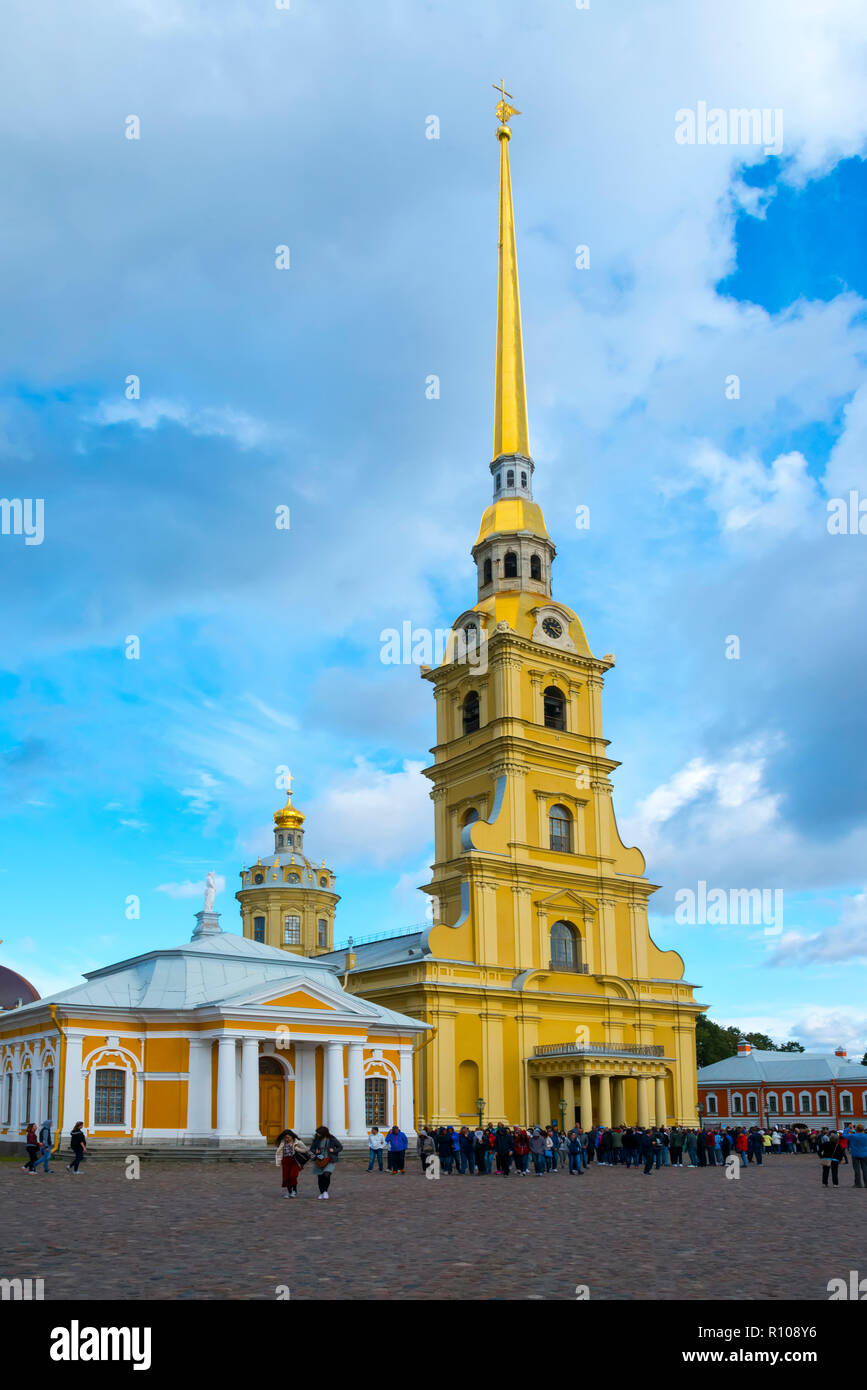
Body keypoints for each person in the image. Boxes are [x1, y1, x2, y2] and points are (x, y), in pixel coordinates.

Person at [309, 1125, 343, 1199]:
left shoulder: (332, 1139)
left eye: (319, 1133)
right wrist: (315, 1151)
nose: (317, 1134)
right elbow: (312, 1148)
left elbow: (340, 1147)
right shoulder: (317, 1139)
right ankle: (321, 1192)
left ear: (323, 1133)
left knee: (326, 1174)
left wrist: (333, 1150)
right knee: (320, 1177)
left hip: (330, 1160)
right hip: (319, 1160)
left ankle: (325, 1192)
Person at [275, 1128, 308, 1198]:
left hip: (295, 1161)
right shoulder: (283, 1142)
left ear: (292, 1136)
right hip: (286, 1161)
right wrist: (278, 1163)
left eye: (288, 1137)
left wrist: (297, 1149)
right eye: (285, 1137)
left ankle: (294, 1191)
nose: (287, 1139)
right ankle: (289, 1192)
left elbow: (305, 1149)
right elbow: (279, 1153)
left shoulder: (297, 1142)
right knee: (286, 1177)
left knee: (293, 1176)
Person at [843, 1123, 867, 1189]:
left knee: (857, 1170)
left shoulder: (853, 1136)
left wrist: (848, 1128)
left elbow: (844, 1135)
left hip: (855, 1154)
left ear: (856, 1129)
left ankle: (858, 1184)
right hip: (865, 1154)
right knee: (865, 1169)